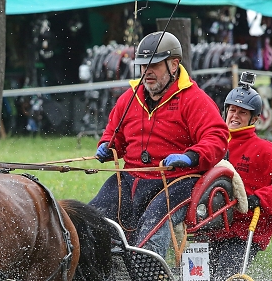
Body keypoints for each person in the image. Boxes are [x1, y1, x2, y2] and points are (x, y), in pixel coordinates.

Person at [89, 31, 229, 257]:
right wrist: (108, 146)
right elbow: (114, 136)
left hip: (177, 180)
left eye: (154, 65)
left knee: (149, 237)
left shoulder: (194, 99)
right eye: (143, 66)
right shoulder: (128, 98)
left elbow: (217, 138)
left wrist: (191, 156)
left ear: (174, 65)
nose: (147, 72)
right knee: (90, 223)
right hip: (131, 178)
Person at [207, 74, 272, 281]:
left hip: (242, 233)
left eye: (242, 112)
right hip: (207, 230)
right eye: (232, 110)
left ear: (254, 119)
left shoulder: (264, 150)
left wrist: (259, 199)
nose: (235, 115)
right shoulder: (212, 143)